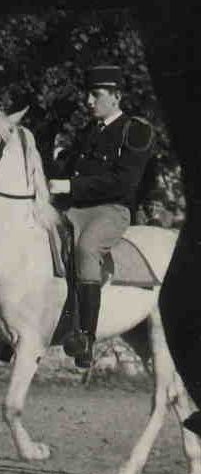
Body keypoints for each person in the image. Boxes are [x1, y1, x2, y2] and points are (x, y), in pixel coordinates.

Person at [50, 64, 158, 368]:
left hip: (112, 210)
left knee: (87, 248)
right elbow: (68, 169)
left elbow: (125, 182)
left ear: (116, 96)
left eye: (95, 94)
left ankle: (85, 337)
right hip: (73, 209)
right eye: (88, 94)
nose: (88, 101)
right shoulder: (88, 131)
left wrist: (70, 185)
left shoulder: (135, 131)